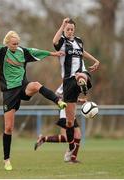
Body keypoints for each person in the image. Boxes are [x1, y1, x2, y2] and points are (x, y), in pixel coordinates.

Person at [0, 19, 67, 171]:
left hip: (23, 86)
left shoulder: (23, 52)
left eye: (17, 43)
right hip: (9, 92)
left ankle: (58, 101)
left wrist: (53, 53)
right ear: (8, 43)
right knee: (8, 128)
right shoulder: (2, 52)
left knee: (36, 85)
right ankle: (6, 159)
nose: (16, 46)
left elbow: (37, 52)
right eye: (14, 43)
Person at [52, 17, 100, 163]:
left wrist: (95, 60)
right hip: (67, 81)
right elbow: (54, 41)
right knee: (70, 122)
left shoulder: (78, 40)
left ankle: (82, 82)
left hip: (80, 74)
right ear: (65, 29)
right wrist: (61, 25)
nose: (70, 31)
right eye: (68, 29)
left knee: (81, 75)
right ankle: (71, 147)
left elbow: (83, 51)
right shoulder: (62, 42)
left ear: (75, 30)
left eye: (72, 29)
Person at [34, 83, 86, 163]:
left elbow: (70, 96)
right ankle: (72, 158)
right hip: (65, 111)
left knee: (66, 137)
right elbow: (58, 94)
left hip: (69, 111)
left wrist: (79, 100)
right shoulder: (68, 81)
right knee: (77, 135)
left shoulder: (76, 81)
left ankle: (43, 139)